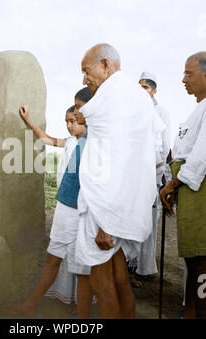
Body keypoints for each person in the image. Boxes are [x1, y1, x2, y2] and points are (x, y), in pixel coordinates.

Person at [74, 43, 158, 319]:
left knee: (101, 282)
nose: (85, 79)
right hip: (123, 205)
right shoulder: (136, 96)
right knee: (120, 277)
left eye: (87, 71)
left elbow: (118, 164)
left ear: (106, 65)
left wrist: (107, 223)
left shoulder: (114, 98)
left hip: (105, 209)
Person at [1, 87, 95, 318]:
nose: (70, 125)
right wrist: (28, 120)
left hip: (83, 211)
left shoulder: (95, 143)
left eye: (75, 119)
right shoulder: (72, 141)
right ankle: (30, 306)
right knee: (54, 259)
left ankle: (82, 313)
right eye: (67, 121)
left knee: (83, 268)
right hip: (66, 208)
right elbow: (45, 139)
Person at [160, 51, 206, 319]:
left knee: (201, 257)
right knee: (193, 256)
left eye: (189, 74)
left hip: (198, 189)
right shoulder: (198, 108)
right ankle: (189, 312)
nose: (183, 79)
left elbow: (200, 157)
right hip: (188, 188)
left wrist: (172, 185)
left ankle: (196, 313)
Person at [128, 72, 171, 285]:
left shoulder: (162, 113)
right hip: (132, 176)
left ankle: (141, 269)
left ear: (153, 91)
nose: (141, 90)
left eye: (145, 87)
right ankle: (128, 265)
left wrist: (160, 178)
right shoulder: (132, 111)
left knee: (148, 224)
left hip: (152, 177)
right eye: (139, 87)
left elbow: (163, 147)